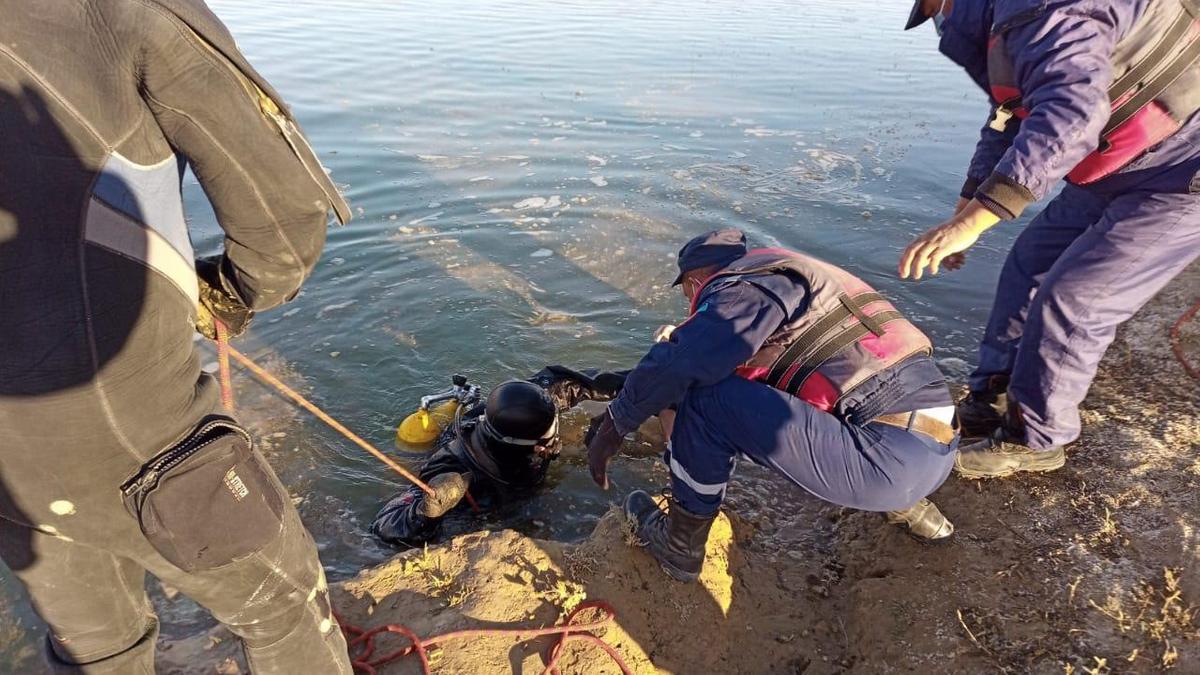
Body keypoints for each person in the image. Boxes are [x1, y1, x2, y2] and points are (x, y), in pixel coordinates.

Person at [0, 1, 354, 672]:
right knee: (283, 604)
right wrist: (231, 291)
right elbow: (283, 225)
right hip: (127, 423)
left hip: (10, 468)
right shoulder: (121, 11)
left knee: (98, 644)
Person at [900, 0, 1200, 478]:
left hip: (1181, 172)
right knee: (1028, 265)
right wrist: (969, 202)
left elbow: (1072, 112)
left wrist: (977, 221)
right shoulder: (1002, 23)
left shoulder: (1044, 6)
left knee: (1077, 299)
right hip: (1114, 170)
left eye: (936, 6)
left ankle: (1038, 439)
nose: (938, 17)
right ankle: (994, 394)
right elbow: (1010, 113)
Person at [584, 229, 960, 583]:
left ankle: (679, 545)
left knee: (702, 399)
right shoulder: (796, 283)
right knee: (716, 389)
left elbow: (685, 365)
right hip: (934, 448)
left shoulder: (740, 286)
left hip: (886, 464)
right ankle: (914, 511)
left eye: (686, 293)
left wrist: (615, 424)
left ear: (695, 281)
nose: (689, 304)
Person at [372, 368, 627, 547]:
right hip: (492, 502)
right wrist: (425, 512)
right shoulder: (458, 474)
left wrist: (640, 381)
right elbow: (382, 528)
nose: (554, 439)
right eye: (549, 435)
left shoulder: (521, 408)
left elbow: (574, 384)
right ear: (533, 446)